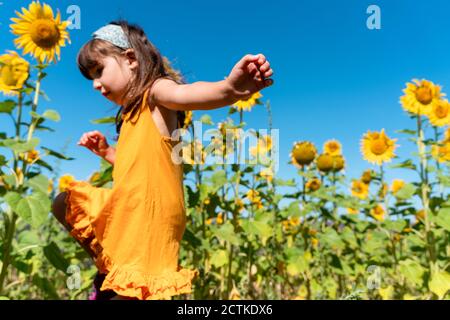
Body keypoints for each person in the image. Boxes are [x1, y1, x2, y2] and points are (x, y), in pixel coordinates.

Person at [51, 20, 274, 300]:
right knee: (63, 203)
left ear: (130, 59)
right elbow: (136, 165)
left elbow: (186, 94)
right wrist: (108, 153)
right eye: (91, 78)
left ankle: (117, 278)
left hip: (150, 215)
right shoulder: (132, 115)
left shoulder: (155, 93)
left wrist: (228, 89)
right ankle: (111, 270)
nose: (96, 84)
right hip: (128, 210)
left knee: (134, 291)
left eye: (99, 71)